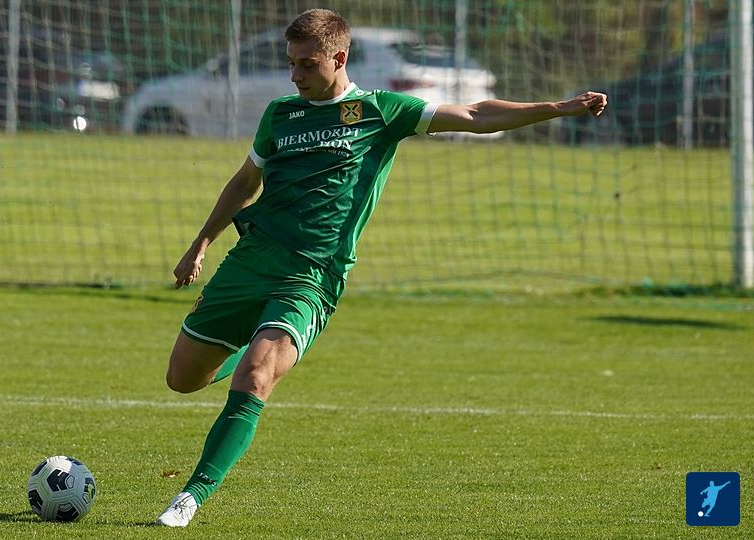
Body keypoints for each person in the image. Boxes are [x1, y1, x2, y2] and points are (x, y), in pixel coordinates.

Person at [155, 8, 607, 528]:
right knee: (182, 379)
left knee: (256, 377)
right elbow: (244, 182)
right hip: (250, 263)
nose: (295, 75)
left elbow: (475, 114)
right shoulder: (281, 114)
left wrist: (558, 107)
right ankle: (253, 344)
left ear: (339, 57)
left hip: (312, 276)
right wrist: (200, 244)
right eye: (291, 63)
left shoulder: (381, 110)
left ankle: (190, 496)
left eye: (307, 64)